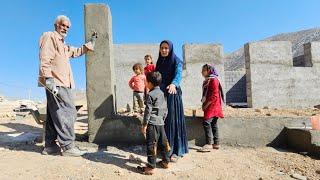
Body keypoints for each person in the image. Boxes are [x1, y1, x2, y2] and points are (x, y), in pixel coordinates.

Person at [39, 15, 97, 157]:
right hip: (56, 82)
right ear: (56, 24)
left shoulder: (63, 45)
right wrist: (48, 79)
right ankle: (68, 146)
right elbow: (45, 57)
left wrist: (91, 43)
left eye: (67, 27)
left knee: (54, 116)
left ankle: (50, 146)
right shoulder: (50, 36)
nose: (65, 28)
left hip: (61, 83)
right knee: (68, 112)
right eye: (63, 25)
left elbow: (76, 51)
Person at [155, 40, 188, 162]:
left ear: (170, 49)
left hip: (172, 94)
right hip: (162, 94)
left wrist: (174, 84)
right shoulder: (159, 62)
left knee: (173, 120)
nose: (164, 50)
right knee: (163, 121)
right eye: (162, 48)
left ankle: (175, 151)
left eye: (166, 48)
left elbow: (178, 75)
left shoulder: (176, 61)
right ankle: (164, 147)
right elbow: (157, 77)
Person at [139, 71, 170, 175]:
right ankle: (166, 161)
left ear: (150, 83)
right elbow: (166, 109)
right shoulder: (162, 93)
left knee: (151, 144)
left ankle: (151, 167)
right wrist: (162, 120)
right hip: (161, 123)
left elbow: (148, 111)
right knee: (163, 143)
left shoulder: (150, 94)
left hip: (152, 124)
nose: (145, 84)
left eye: (146, 82)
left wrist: (144, 125)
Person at [198, 64, 224, 152]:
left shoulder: (213, 80)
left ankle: (209, 143)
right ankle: (216, 143)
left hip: (213, 105)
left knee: (206, 122)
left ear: (209, 70)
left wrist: (206, 105)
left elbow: (214, 95)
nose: (202, 72)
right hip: (213, 105)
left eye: (204, 70)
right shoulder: (208, 80)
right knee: (213, 124)